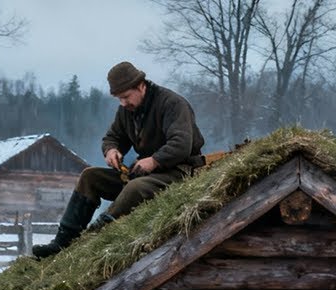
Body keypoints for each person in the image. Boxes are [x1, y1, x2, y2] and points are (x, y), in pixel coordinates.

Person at [32, 61, 206, 258]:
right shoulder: (127, 110)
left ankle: (94, 239)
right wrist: (111, 150)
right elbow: (112, 137)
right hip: (144, 174)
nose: (123, 103)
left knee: (135, 188)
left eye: (125, 97)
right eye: (119, 99)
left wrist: (154, 160)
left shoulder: (172, 104)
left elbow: (181, 144)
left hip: (178, 172)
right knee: (90, 176)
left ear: (141, 86)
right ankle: (63, 241)